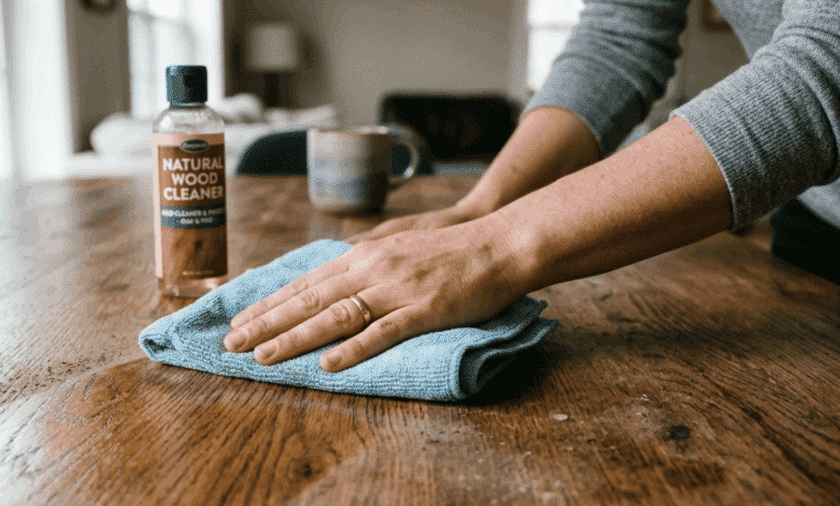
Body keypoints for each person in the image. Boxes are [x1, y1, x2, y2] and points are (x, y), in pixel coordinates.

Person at [222, 0, 840, 372]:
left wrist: (494, 247)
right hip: (816, 227)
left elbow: (827, 60)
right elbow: (619, 40)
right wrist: (478, 208)